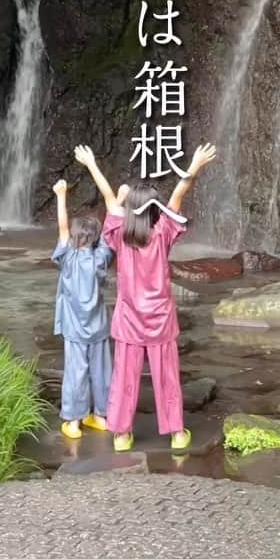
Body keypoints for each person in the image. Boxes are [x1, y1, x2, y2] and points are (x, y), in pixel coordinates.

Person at [74, 142, 217, 454]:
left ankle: (122, 434)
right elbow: (179, 194)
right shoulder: (163, 232)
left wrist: (92, 164)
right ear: (156, 210)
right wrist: (194, 165)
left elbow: (110, 197)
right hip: (161, 319)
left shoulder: (119, 233)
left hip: (128, 320)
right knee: (167, 376)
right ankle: (177, 433)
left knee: (124, 376)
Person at [52, 178, 114, 440]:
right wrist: (117, 201)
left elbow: (63, 227)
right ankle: (101, 415)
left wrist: (61, 195)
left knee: (76, 371)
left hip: (74, 329)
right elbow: (112, 230)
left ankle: (74, 421)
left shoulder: (68, 257)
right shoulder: (101, 258)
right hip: (98, 327)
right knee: (101, 370)